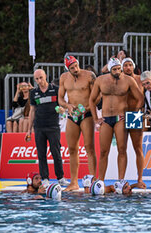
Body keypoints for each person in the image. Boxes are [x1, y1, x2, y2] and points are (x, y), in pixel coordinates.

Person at [89, 58, 144, 184]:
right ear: (109, 70)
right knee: (103, 151)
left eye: (119, 69)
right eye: (115, 69)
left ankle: (121, 181)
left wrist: (132, 114)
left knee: (124, 148)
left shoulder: (130, 80)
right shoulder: (101, 80)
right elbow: (91, 100)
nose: (118, 71)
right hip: (106, 118)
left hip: (122, 118)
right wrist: (95, 119)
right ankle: (101, 181)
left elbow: (140, 98)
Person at [58, 56, 97, 191]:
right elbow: (60, 99)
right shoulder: (64, 78)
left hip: (86, 114)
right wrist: (68, 106)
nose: (75, 69)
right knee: (72, 149)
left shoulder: (89, 76)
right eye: (72, 67)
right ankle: (74, 182)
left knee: (89, 148)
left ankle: (92, 180)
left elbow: (97, 96)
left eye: (76, 66)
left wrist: (88, 108)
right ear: (67, 69)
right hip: (72, 116)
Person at [25, 69, 69, 188]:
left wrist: (62, 110)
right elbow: (32, 111)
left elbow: (63, 105)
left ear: (46, 77)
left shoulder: (55, 89)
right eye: (37, 79)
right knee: (41, 154)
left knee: (56, 153)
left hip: (53, 126)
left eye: (41, 78)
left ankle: (60, 178)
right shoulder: (34, 92)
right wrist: (29, 130)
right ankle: (45, 178)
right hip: (39, 127)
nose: (39, 81)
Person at [121, 58, 146, 188]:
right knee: (122, 149)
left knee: (138, 148)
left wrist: (138, 113)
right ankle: (121, 180)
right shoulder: (118, 80)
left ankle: (140, 178)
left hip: (134, 115)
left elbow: (143, 99)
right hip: (121, 116)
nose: (128, 67)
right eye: (125, 65)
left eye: (130, 65)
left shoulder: (139, 79)